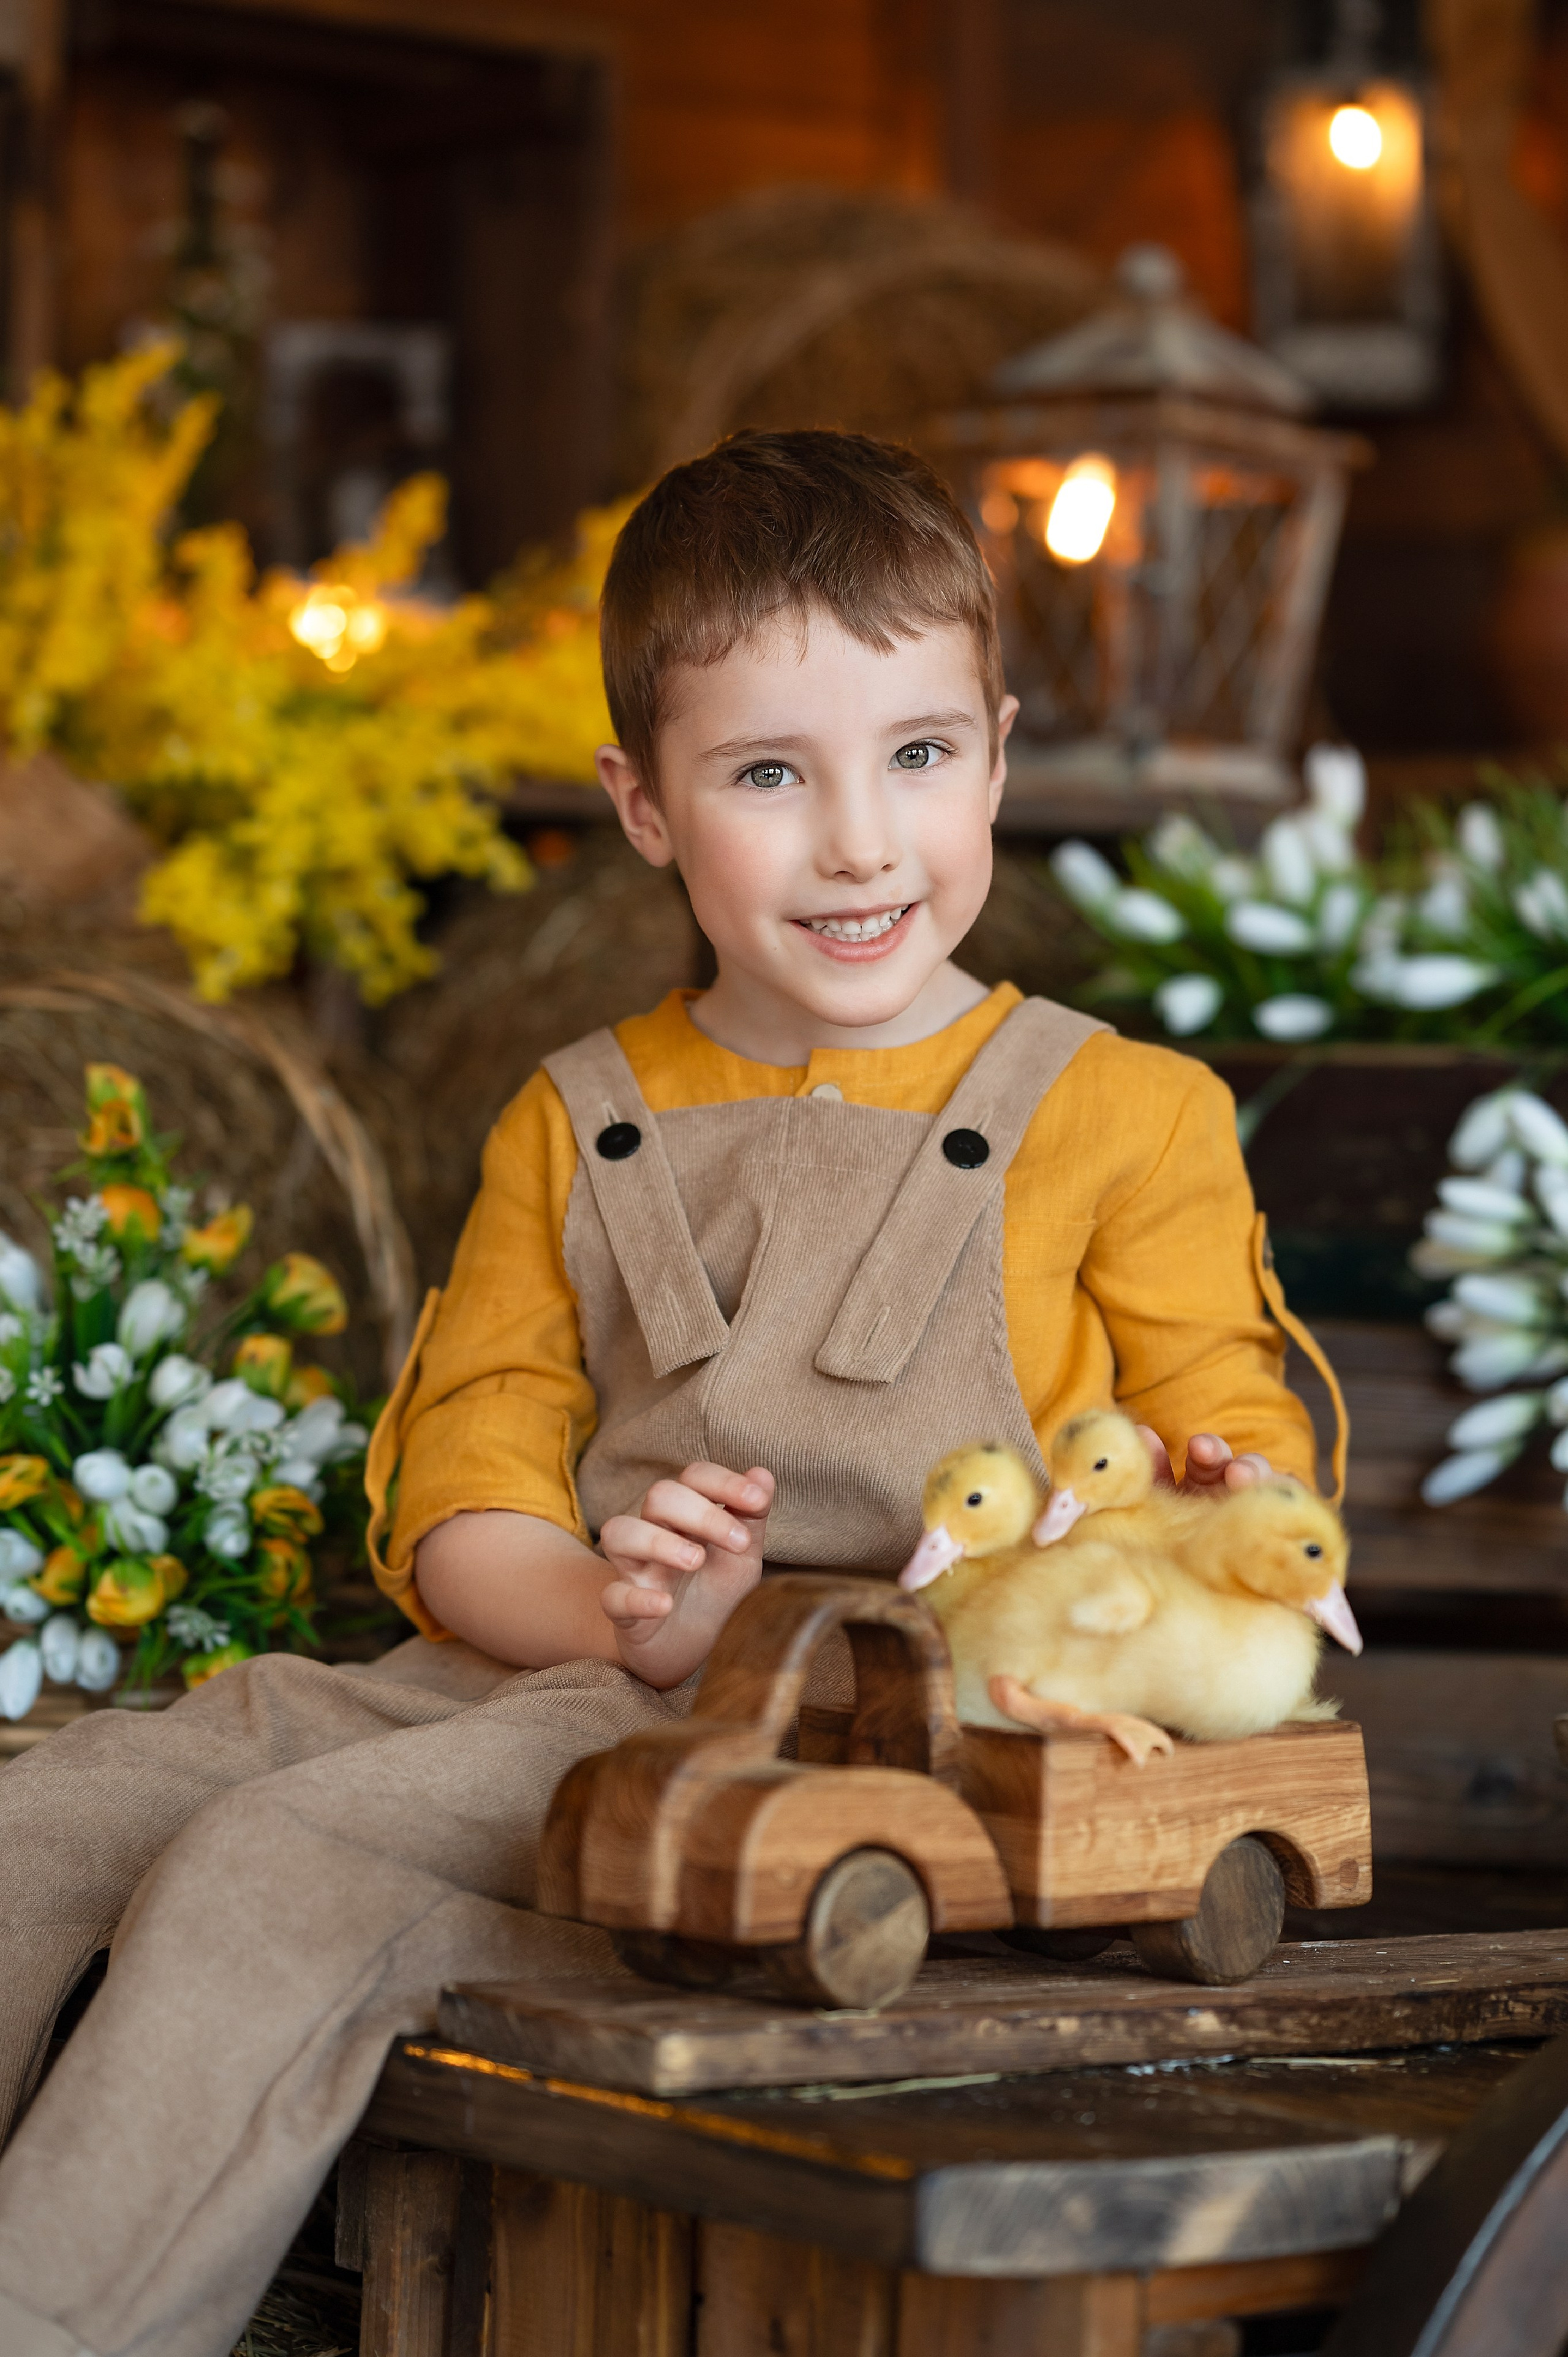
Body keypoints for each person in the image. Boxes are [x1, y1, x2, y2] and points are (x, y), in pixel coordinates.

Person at [0, 430, 1323, 2357]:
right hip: (547, 1666)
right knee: (64, 1800)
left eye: (921, 757)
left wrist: (1214, 1496)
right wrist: (620, 1608)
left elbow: (1229, 1431)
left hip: (881, 1724)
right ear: (642, 804)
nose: (863, 842)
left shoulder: (1122, 1113)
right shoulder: (575, 1116)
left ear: (1003, 754)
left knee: (271, 1873)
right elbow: (468, 1482)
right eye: (772, 775)